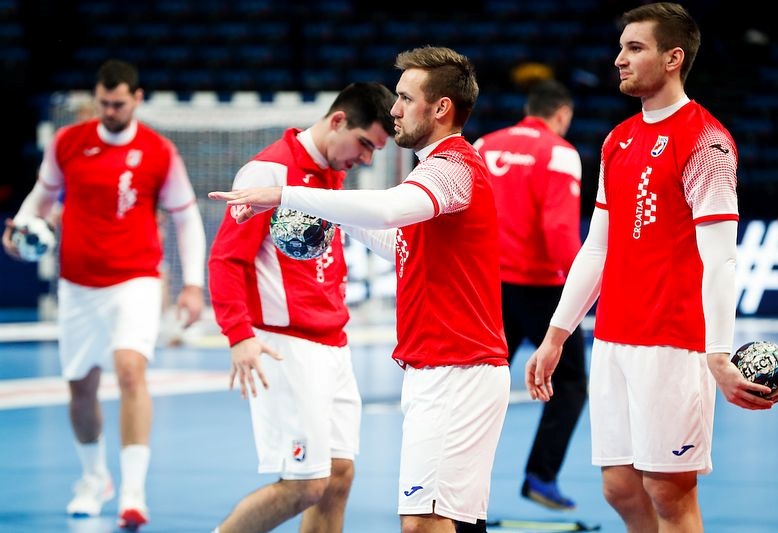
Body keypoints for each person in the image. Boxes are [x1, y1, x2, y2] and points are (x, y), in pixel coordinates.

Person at [209, 45, 510, 533]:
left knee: (421, 522)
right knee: (446, 518)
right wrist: (331, 211)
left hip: (455, 368)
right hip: (441, 365)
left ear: (440, 108)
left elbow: (390, 211)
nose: (394, 110)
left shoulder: (453, 166)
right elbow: (398, 242)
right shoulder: (434, 172)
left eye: (405, 98)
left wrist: (287, 195)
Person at [524, 3, 775, 531]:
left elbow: (721, 258)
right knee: (619, 488)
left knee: (668, 491)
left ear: (673, 58)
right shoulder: (617, 140)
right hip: (614, 338)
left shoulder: (706, 141)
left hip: (674, 343)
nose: (619, 59)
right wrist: (555, 337)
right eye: (621, 48)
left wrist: (719, 354)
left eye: (634, 48)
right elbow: (596, 250)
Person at [2, 59, 206, 529]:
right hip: (77, 284)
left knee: (131, 371)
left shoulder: (160, 151)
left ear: (136, 99)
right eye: (103, 103)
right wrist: (21, 231)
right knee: (80, 386)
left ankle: (133, 491)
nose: (110, 110)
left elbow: (185, 217)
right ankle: (94, 478)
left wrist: (192, 283)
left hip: (135, 278)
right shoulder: (68, 143)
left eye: (118, 103)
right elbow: (41, 197)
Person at [206, 81, 395, 533]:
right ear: (337, 122)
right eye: (365, 144)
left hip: (333, 343)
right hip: (286, 345)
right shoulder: (267, 173)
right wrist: (239, 337)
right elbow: (226, 259)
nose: (367, 159)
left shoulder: (332, 173)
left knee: (338, 477)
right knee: (305, 484)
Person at [473, 78, 586, 511]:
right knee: (571, 382)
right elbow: (558, 230)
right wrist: (580, 286)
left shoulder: (485, 145)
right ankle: (541, 477)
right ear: (561, 114)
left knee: (478, 382)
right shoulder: (559, 152)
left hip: (487, 289)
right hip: (542, 291)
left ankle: (452, 479)